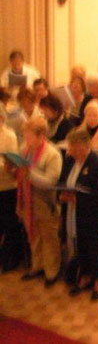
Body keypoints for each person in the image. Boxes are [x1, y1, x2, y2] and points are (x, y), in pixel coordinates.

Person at [59, 129, 98, 301]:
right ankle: (86, 276)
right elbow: (63, 181)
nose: (72, 152)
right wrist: (63, 193)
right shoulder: (70, 161)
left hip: (94, 216)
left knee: (94, 249)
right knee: (80, 246)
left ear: (86, 146)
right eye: (71, 148)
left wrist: (77, 197)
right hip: (74, 213)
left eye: (75, 148)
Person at [15, 117, 63, 286]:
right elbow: (20, 175)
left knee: (49, 239)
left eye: (28, 137)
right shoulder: (25, 150)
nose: (25, 140)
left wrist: (29, 173)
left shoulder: (52, 154)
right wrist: (13, 169)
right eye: (24, 136)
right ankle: (38, 267)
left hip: (45, 203)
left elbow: (50, 182)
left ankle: (52, 271)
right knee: (34, 237)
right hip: (28, 201)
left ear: (41, 136)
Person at [0, 108, 21, 272]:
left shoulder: (9, 136)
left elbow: (13, 162)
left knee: (9, 223)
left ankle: (12, 258)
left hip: (6, 185)